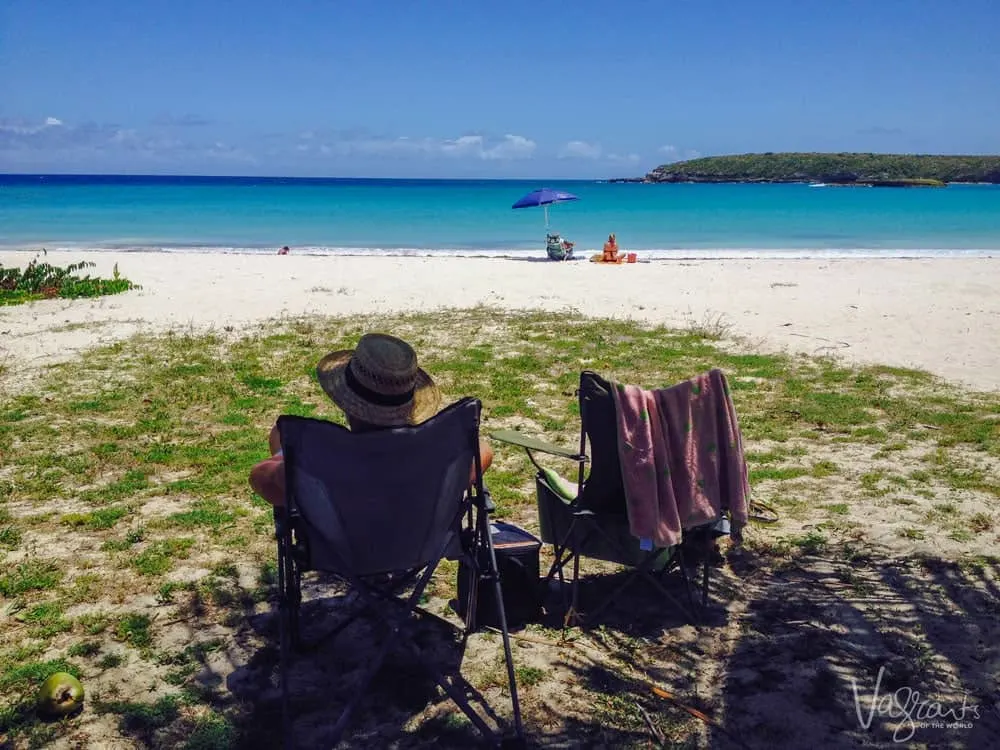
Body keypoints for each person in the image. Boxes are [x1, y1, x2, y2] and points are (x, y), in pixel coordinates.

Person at [249, 333, 494, 506]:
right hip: (418, 546)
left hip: (340, 550)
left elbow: (260, 477)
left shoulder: (326, 460)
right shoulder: (429, 456)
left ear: (349, 405)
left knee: (278, 435)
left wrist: (284, 460)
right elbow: (484, 451)